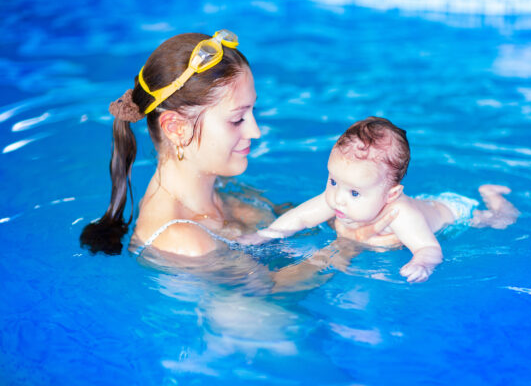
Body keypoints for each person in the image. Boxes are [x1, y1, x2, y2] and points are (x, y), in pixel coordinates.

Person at [80, 31, 387, 258]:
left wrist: (359, 219)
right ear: (176, 128)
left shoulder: (222, 189)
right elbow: (269, 295)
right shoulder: (181, 239)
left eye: (253, 111)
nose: (255, 131)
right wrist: (347, 247)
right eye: (238, 119)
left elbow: (286, 218)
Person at [239, 117, 519, 283]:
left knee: (499, 222)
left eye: (355, 192)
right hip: (424, 203)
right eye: (333, 180)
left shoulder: (401, 213)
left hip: (455, 213)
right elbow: (299, 217)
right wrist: (265, 235)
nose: (338, 197)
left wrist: (423, 262)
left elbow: (428, 247)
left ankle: (492, 197)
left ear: (390, 196)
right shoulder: (339, 197)